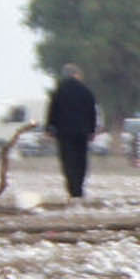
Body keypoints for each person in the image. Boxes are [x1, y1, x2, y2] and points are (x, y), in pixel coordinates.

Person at [44, 65, 97, 202]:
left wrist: (49, 128)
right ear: (76, 75)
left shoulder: (59, 91)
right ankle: (78, 189)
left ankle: (71, 188)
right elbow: (92, 112)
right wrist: (91, 130)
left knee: (68, 161)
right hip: (81, 132)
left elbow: (52, 110)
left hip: (64, 132)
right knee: (81, 161)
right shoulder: (85, 91)